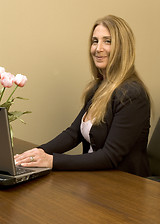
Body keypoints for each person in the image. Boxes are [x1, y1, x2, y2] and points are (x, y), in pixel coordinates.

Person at [14, 14, 151, 177]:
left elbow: (110, 156)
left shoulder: (132, 95)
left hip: (123, 186)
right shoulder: (98, 87)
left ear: (123, 47)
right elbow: (73, 134)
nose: (98, 48)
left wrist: (52, 161)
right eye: (95, 41)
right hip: (94, 178)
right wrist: (36, 153)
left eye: (108, 41)